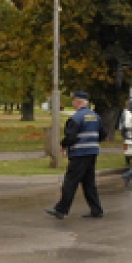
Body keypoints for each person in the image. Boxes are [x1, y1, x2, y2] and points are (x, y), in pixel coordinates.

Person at [45, 91, 107, 220]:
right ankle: (96, 210)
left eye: (73, 100)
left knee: (70, 182)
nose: (72, 103)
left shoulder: (76, 118)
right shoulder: (96, 116)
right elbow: (103, 134)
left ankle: (61, 210)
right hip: (92, 153)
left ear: (78, 102)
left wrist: (63, 145)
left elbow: (71, 137)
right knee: (89, 183)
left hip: (79, 154)